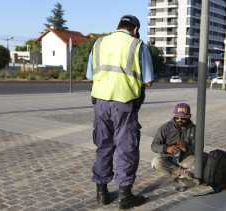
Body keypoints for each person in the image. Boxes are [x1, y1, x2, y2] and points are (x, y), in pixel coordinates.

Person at [86, 15, 154, 209]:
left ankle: (102, 193)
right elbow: (148, 80)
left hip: (100, 102)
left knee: (103, 145)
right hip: (124, 102)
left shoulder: (99, 43)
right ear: (135, 29)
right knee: (126, 148)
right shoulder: (138, 45)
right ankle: (125, 196)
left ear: (118, 27)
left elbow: (90, 75)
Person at [151, 103, 203, 190]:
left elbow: (199, 148)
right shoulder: (165, 128)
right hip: (168, 159)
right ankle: (182, 174)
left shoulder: (194, 129)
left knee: (199, 161)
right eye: (177, 117)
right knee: (156, 162)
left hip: (185, 159)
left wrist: (186, 148)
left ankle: (179, 176)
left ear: (189, 116)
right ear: (174, 115)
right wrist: (166, 148)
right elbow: (154, 146)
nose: (180, 120)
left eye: (183, 118)